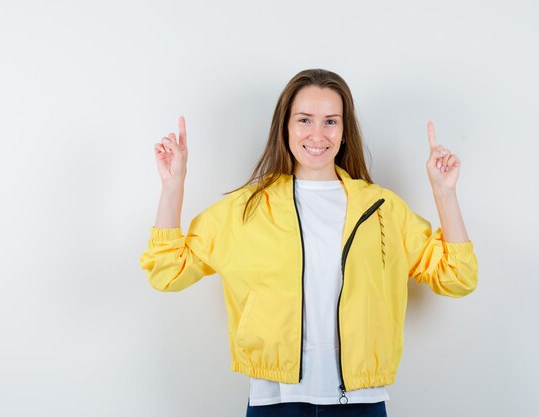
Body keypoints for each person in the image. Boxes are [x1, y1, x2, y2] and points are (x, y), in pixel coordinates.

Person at [139, 69, 478, 417]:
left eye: (331, 121)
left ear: (345, 131)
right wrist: (172, 186)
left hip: (360, 401)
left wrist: (445, 193)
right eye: (304, 120)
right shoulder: (245, 210)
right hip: (275, 400)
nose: (318, 134)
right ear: (285, 127)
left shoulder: (382, 209)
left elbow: (458, 277)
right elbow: (166, 271)